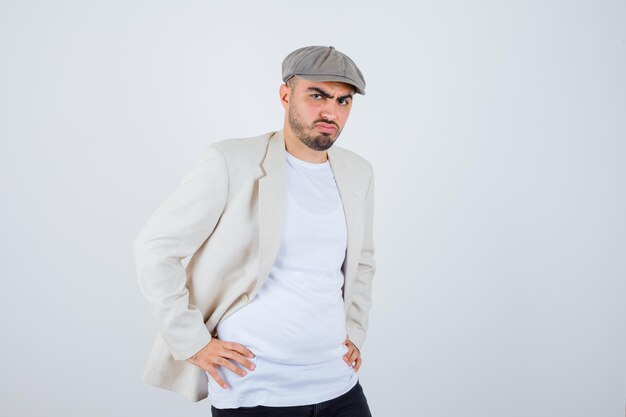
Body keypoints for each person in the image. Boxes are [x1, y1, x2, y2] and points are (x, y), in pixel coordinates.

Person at [134, 45, 375, 417]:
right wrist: (193, 342)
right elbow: (154, 249)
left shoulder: (357, 171)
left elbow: (363, 263)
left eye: (344, 101)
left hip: (338, 385)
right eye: (318, 96)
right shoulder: (231, 162)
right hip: (255, 390)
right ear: (285, 95)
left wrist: (354, 332)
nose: (331, 111)